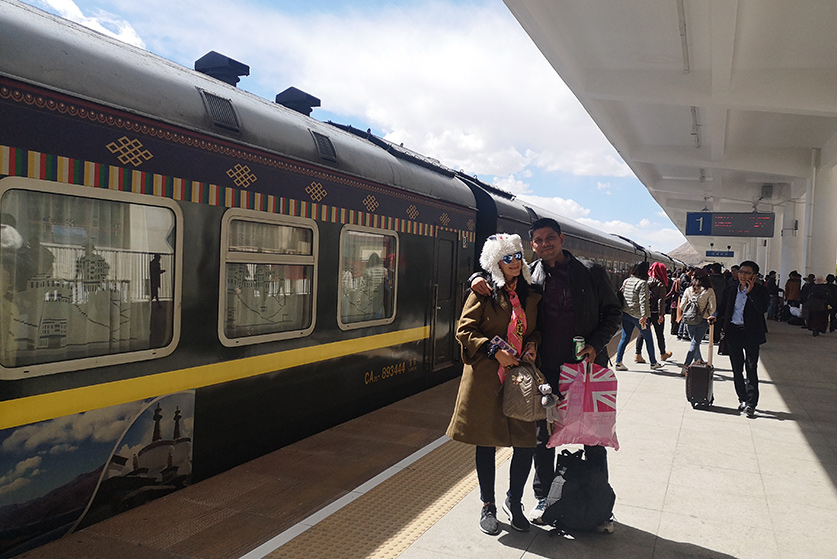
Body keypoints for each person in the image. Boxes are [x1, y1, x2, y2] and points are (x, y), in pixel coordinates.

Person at [469, 217, 621, 529]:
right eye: (537, 240)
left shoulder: (591, 271)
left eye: (550, 237)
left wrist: (594, 344)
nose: (544, 243)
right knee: (541, 437)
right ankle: (544, 496)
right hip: (545, 371)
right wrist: (473, 277)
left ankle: (598, 502)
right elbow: (497, 281)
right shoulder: (532, 275)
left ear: (562, 238)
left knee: (593, 435)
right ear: (532, 246)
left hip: (586, 368)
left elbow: (614, 313)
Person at [447, 233, 541, 535]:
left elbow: (535, 331)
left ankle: (514, 502)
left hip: (520, 380)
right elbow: (465, 330)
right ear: (496, 263)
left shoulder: (531, 295)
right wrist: (493, 350)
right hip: (487, 377)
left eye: (518, 256)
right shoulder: (484, 293)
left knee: (526, 442)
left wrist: (532, 346)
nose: (515, 262)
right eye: (507, 258)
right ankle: (488, 504)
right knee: (486, 442)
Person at [717, 260, 769, 417]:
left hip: (751, 333)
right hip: (734, 332)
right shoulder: (731, 289)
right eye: (741, 272)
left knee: (751, 367)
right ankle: (743, 398)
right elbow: (723, 307)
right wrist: (714, 316)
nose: (742, 275)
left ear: (754, 276)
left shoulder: (760, 291)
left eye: (747, 273)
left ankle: (752, 403)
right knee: (737, 368)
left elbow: (762, 309)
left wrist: (751, 292)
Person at [614, 260, 665, 371]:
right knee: (649, 339)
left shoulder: (626, 281)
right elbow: (643, 301)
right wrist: (644, 316)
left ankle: (618, 362)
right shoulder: (642, 283)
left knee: (624, 338)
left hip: (626, 314)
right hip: (639, 317)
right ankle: (653, 363)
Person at [677, 268, 717, 372]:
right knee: (695, 343)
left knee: (694, 342)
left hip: (689, 320)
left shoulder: (688, 290)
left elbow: (681, 306)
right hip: (702, 320)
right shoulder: (709, 291)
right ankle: (686, 365)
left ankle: (698, 360)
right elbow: (713, 308)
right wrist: (707, 313)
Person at [635, 261, 671, 362]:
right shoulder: (660, 284)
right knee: (659, 334)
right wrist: (661, 314)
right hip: (656, 313)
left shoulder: (645, 282)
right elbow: (661, 301)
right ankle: (663, 354)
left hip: (646, 312)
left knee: (642, 333)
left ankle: (637, 354)